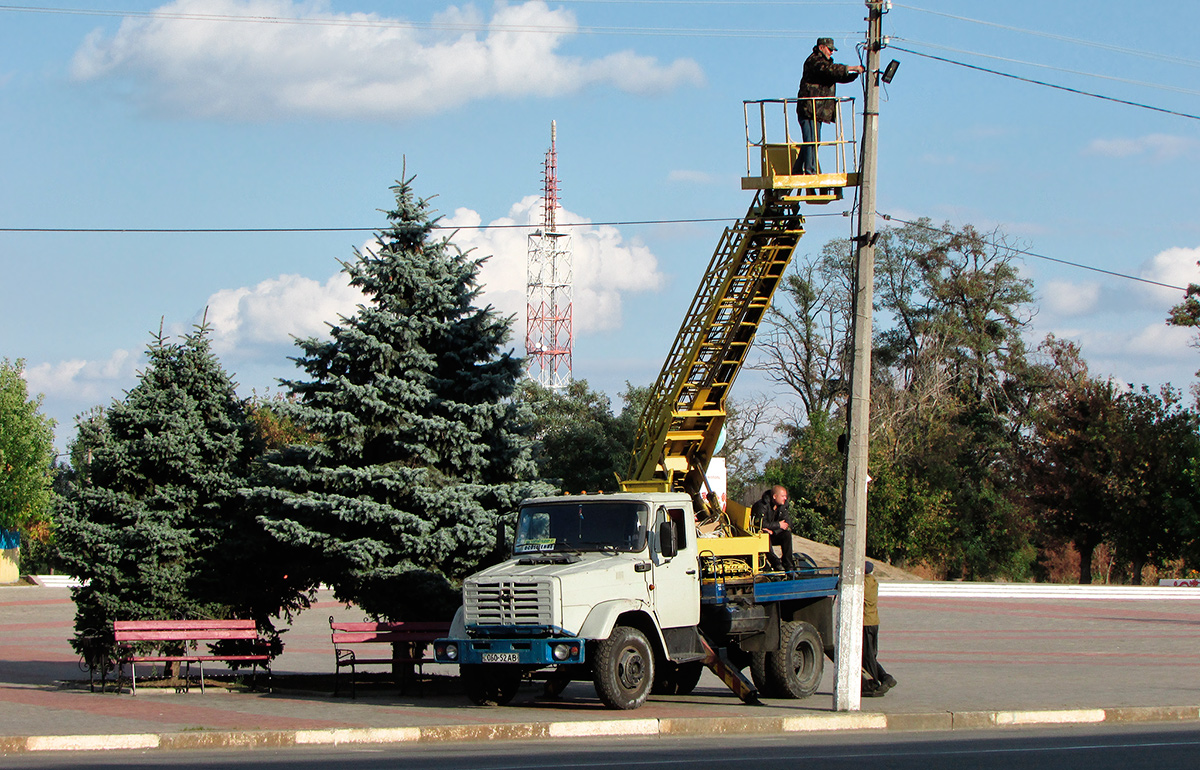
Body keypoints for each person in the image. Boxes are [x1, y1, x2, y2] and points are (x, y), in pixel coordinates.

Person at [794, 37, 865, 176]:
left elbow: (835, 75)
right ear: (821, 47)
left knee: (813, 141)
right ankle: (810, 171)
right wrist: (851, 68)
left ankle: (797, 170)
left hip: (817, 110)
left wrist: (854, 74)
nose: (832, 52)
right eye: (830, 49)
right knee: (811, 141)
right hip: (808, 109)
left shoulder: (825, 65)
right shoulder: (814, 61)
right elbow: (829, 70)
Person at [862, 561, 898, 697]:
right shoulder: (873, 582)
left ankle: (874, 682)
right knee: (870, 655)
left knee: (867, 656)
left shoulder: (863, 584)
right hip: (874, 622)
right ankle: (886, 678)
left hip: (865, 623)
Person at [752, 485, 795, 572]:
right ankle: (775, 563)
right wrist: (778, 525)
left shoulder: (783, 506)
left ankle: (788, 565)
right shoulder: (761, 505)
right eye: (783, 496)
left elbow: (787, 522)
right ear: (775, 496)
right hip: (761, 535)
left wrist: (774, 530)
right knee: (765, 536)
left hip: (774, 533)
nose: (785, 498)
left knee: (787, 535)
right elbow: (760, 523)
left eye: (785, 496)